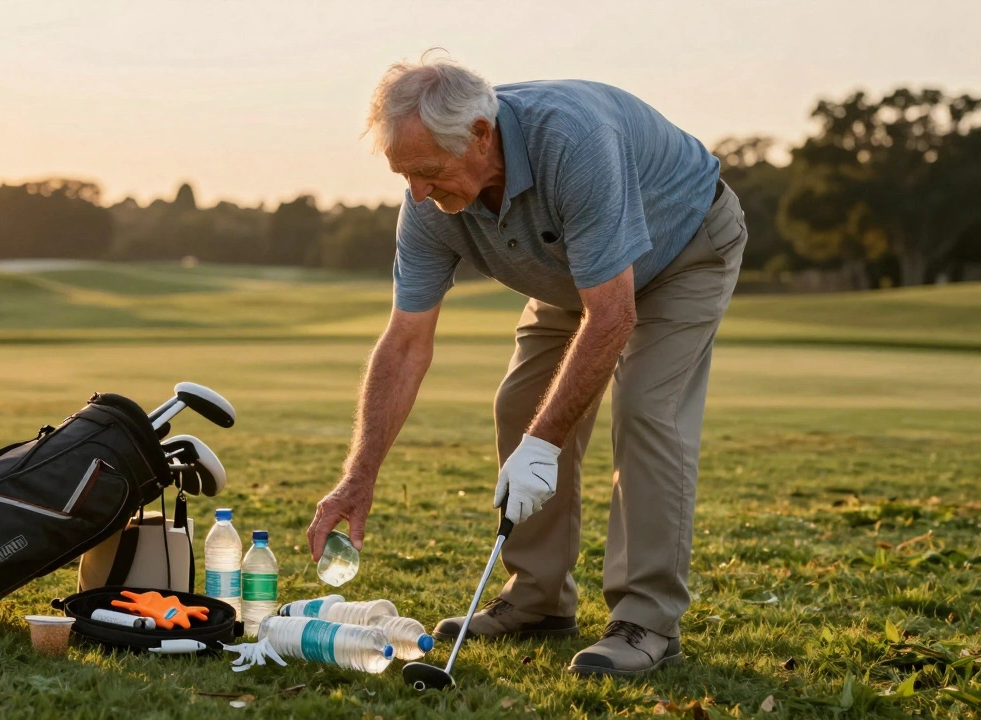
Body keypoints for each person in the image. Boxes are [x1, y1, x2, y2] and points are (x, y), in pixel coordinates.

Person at [306, 53, 747, 678]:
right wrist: (359, 476)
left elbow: (614, 316)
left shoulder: (573, 141)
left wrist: (544, 445)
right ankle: (538, 600)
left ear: (481, 135)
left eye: (429, 172)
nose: (418, 193)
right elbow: (405, 341)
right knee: (520, 404)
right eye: (405, 176)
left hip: (683, 249)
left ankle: (647, 621)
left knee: (649, 408)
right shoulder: (429, 206)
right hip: (575, 271)